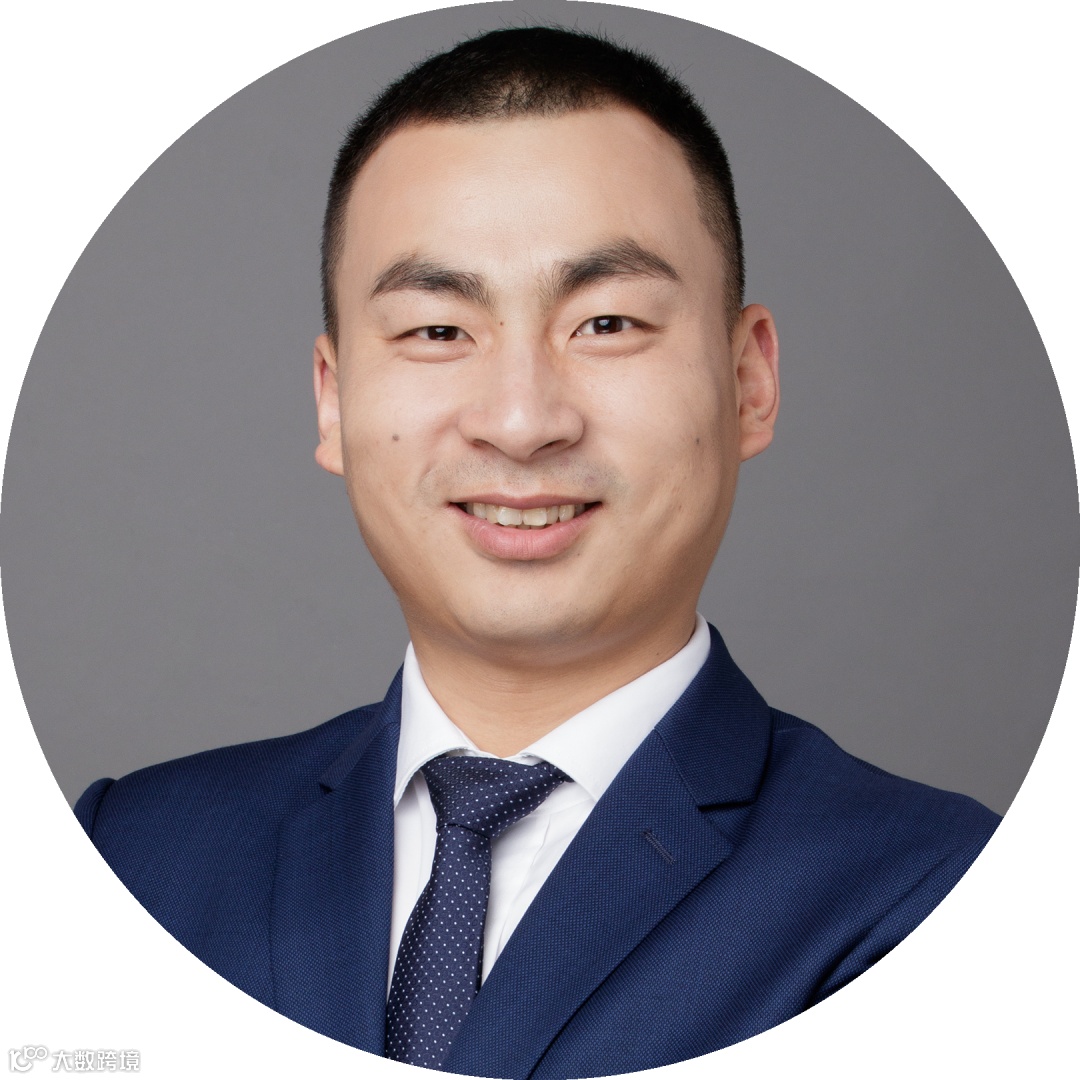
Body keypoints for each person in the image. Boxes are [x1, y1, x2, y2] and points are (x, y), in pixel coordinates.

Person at [74, 26, 999, 1077]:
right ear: (332, 400)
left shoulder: (937, 901)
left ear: (749, 382)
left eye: (606, 324)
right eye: (437, 331)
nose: (520, 422)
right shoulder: (132, 858)